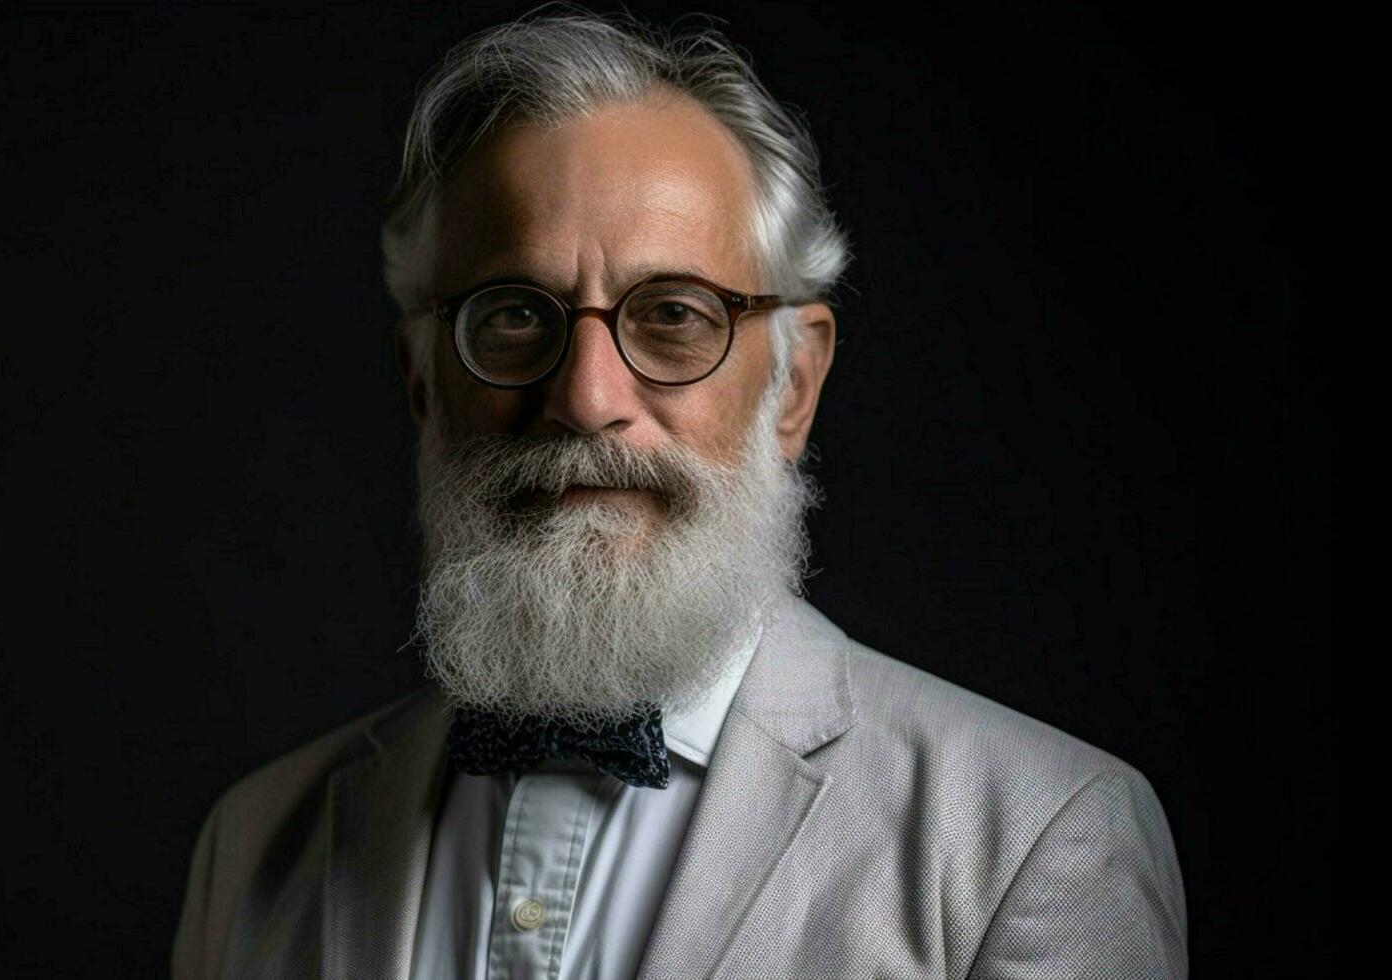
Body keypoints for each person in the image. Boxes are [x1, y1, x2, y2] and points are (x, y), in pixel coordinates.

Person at [172, 10, 1187, 979]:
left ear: (792, 384)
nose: (585, 398)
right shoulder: (255, 841)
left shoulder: (1037, 838)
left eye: (672, 314)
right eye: (516, 314)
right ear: (424, 381)